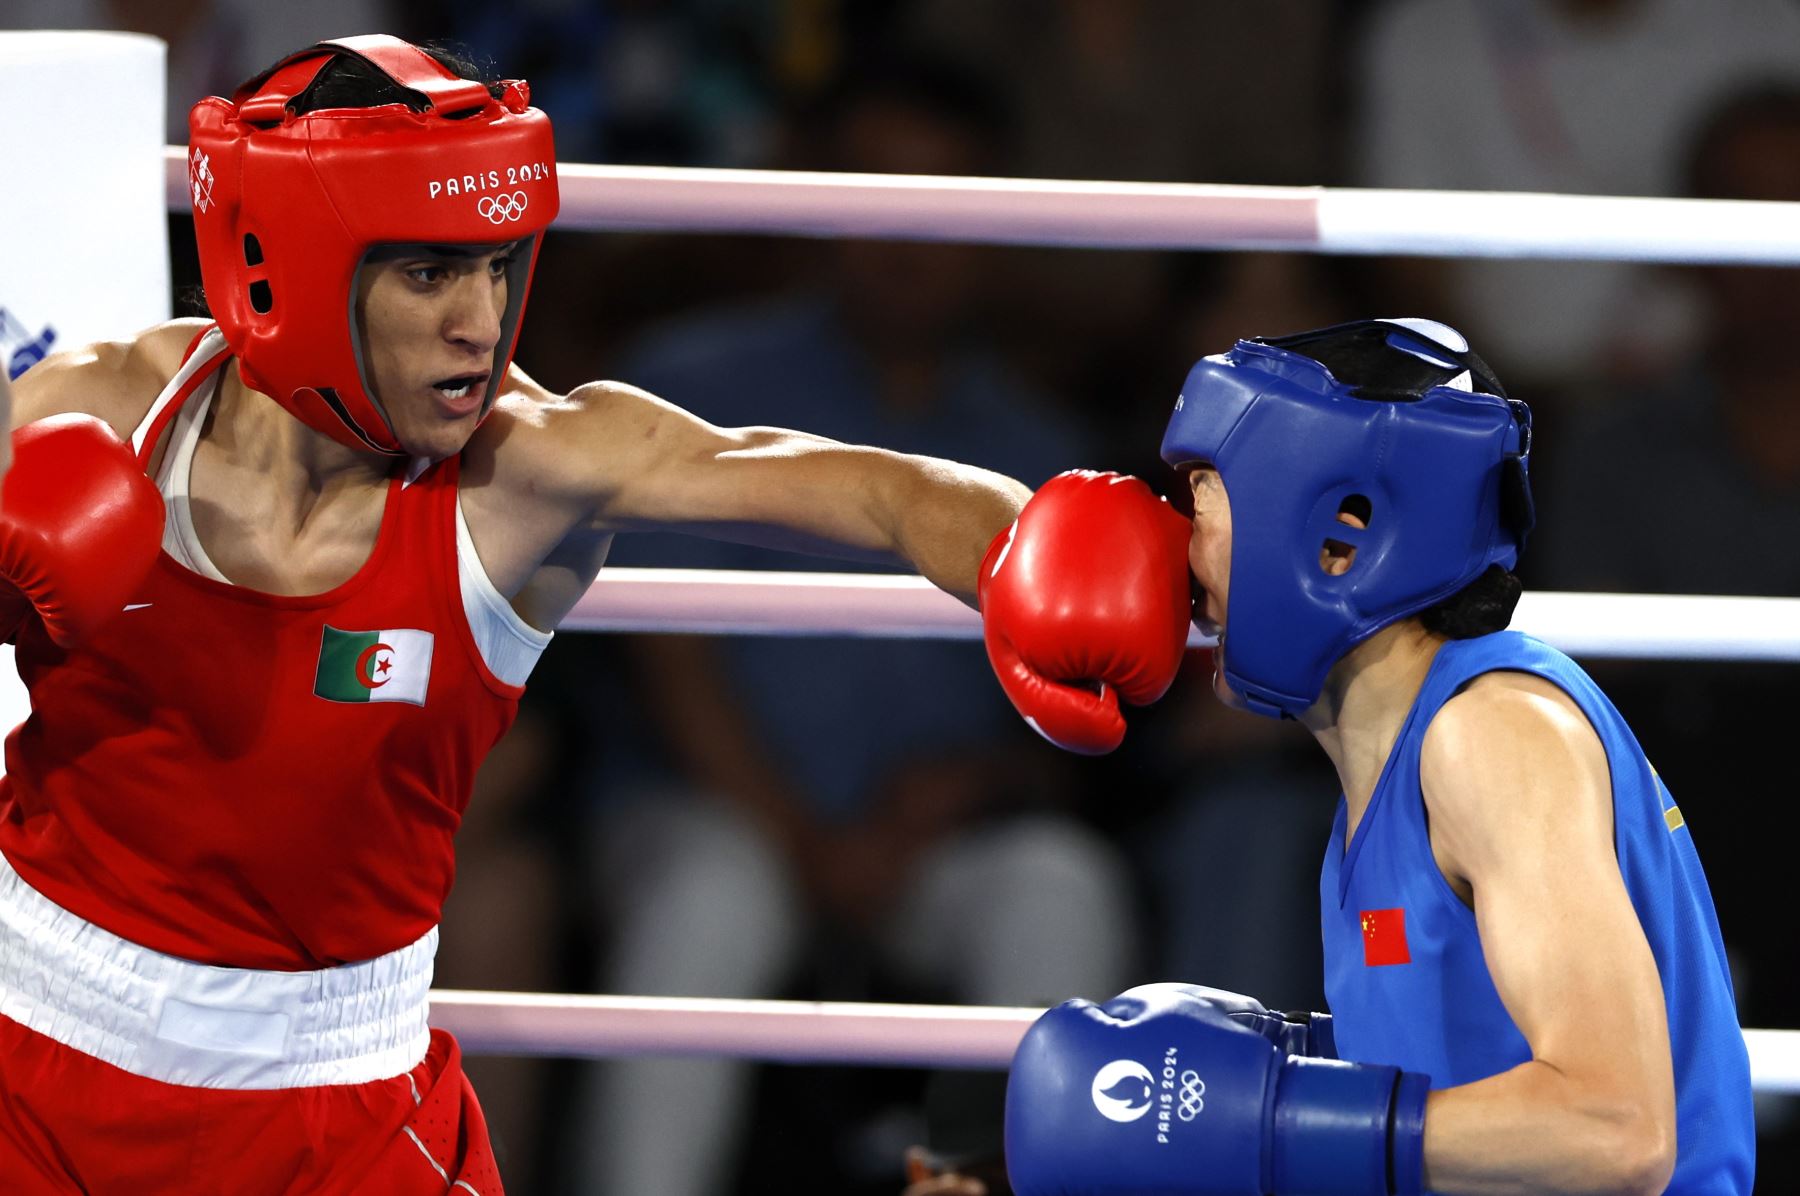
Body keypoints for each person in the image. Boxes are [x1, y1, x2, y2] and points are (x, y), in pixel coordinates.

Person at [0, 35, 1183, 1195]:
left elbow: (871, 487)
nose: (483, 322)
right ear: (288, 264)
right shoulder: (99, 411)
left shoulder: (529, 470)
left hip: (332, 1102)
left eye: (501, 263)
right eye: (430, 271)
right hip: (28, 1051)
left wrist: (1028, 543)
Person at [983, 318, 1755, 1193]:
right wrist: (1271, 1088)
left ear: (1340, 536)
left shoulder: (1491, 736)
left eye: (1200, 496)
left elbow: (1617, 1129)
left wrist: (1272, 1123)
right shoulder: (1383, 787)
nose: (1175, 555)